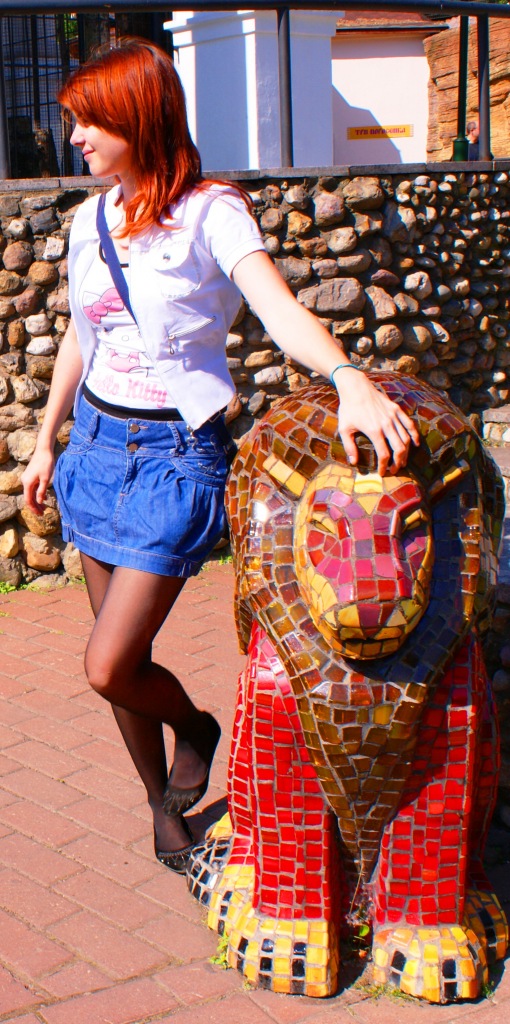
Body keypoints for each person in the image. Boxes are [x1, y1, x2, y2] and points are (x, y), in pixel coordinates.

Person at [21, 39, 420, 873]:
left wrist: (347, 376)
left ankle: (196, 729)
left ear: (137, 115)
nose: (75, 138)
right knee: (121, 661)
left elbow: (279, 310)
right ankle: (161, 809)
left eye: (89, 121)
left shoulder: (212, 212)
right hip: (95, 449)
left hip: (174, 459)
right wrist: (47, 439)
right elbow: (82, 336)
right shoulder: (90, 219)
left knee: (108, 664)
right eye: (73, 122)